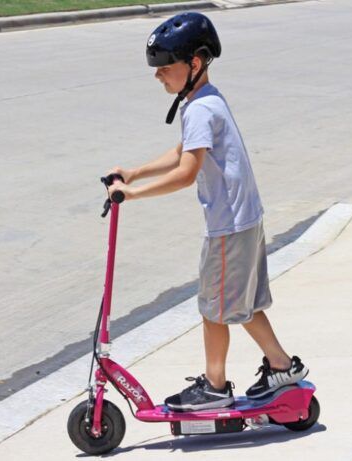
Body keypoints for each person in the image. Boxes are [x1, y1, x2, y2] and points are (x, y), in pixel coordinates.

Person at [106, 12, 308, 412]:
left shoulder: (199, 108)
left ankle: (215, 387)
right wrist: (136, 171)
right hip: (246, 219)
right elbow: (186, 149)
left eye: (165, 67)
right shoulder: (207, 99)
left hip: (228, 227)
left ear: (193, 64)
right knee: (242, 305)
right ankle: (282, 367)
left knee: (213, 309)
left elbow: (186, 173)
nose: (158, 75)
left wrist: (130, 194)